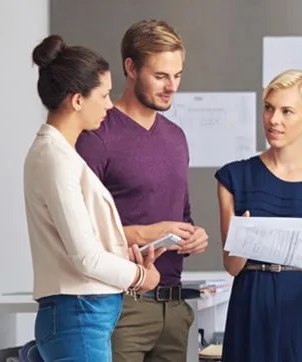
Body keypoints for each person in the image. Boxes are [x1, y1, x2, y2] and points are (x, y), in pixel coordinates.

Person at [73, 19, 208, 362]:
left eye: (177, 75)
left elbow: (183, 216)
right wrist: (149, 232)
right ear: (130, 68)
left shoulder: (176, 137)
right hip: (121, 307)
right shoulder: (97, 135)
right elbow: (81, 234)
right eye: (161, 76)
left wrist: (194, 236)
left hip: (175, 308)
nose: (171, 86)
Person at [24, 34, 164, 362]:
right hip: (78, 316)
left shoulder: (60, 154)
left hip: (82, 315)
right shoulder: (55, 158)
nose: (109, 104)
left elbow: (83, 246)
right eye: (103, 95)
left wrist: (127, 260)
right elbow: (85, 258)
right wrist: (142, 277)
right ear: (76, 100)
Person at [215, 69, 302, 362]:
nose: (273, 119)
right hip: (251, 307)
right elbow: (232, 266)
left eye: (287, 111)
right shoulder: (234, 177)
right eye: (268, 108)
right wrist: (243, 238)